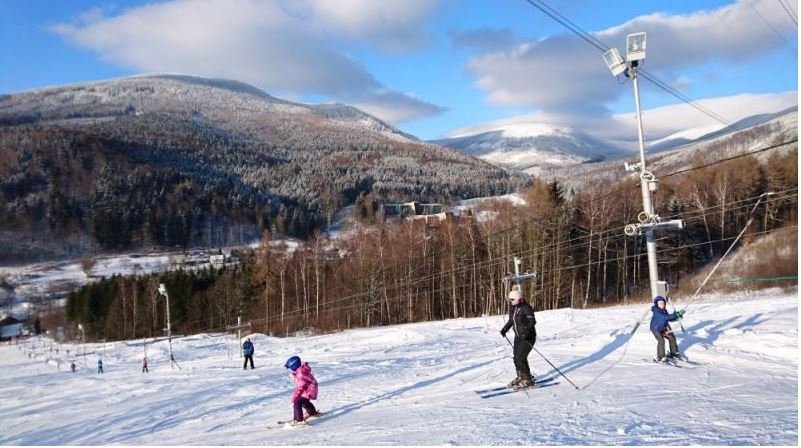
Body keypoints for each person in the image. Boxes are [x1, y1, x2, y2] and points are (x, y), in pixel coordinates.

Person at [500, 287, 537, 390]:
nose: (510, 301)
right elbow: (511, 321)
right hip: (518, 337)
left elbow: (532, 322)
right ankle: (521, 376)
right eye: (510, 300)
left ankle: (527, 380)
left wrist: (526, 333)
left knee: (521, 358)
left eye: (512, 300)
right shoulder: (514, 308)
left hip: (528, 337)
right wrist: (504, 329)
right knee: (516, 358)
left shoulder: (526, 307)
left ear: (518, 298)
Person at [285, 355, 320, 425]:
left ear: (293, 365)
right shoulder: (300, 371)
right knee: (304, 401)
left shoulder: (300, 374)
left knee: (297, 402)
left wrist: (294, 398)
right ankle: (312, 412)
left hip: (309, 390)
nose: (290, 369)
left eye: (290, 367)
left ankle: (298, 420)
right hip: (310, 389)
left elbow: (300, 386)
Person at [649, 296, 686, 362]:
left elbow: (669, 318)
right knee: (661, 341)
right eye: (660, 303)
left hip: (663, 328)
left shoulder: (664, 310)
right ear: (656, 304)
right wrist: (677, 314)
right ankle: (661, 356)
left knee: (672, 337)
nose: (662, 304)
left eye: (663, 303)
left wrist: (677, 317)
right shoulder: (657, 311)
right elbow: (665, 317)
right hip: (656, 329)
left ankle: (674, 353)